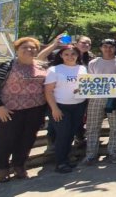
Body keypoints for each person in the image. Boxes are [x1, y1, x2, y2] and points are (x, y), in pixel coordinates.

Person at [0, 37, 47, 182]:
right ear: (17, 50)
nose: (29, 50)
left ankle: (19, 165)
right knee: (4, 141)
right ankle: (3, 168)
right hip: (9, 110)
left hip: (35, 110)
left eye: (33, 48)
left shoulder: (41, 67)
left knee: (27, 140)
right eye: (25, 47)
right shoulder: (7, 66)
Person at [82, 39, 116, 166]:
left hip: (114, 99)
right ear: (101, 48)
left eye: (111, 47)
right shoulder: (93, 62)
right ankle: (91, 154)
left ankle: (113, 152)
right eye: (105, 46)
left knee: (115, 126)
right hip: (96, 98)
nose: (108, 49)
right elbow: (90, 81)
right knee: (92, 126)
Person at [44, 45, 87, 173]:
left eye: (73, 54)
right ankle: (60, 163)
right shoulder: (54, 70)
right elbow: (48, 91)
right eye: (66, 54)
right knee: (63, 135)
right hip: (61, 106)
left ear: (78, 55)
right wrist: (54, 109)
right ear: (61, 55)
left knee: (70, 134)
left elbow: (83, 86)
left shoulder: (82, 68)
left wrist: (80, 90)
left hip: (78, 105)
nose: (70, 57)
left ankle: (66, 160)